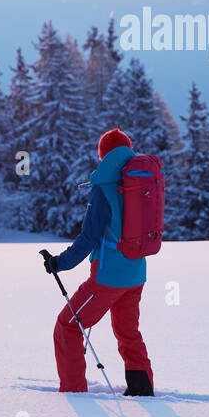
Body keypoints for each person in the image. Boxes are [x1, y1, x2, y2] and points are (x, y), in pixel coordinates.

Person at [43, 128, 155, 396]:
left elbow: (90, 236)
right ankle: (142, 389)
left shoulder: (105, 187)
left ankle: (73, 391)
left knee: (67, 326)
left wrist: (60, 263)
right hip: (136, 273)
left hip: (108, 277)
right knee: (128, 332)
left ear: (103, 154)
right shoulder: (140, 183)